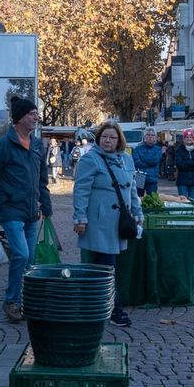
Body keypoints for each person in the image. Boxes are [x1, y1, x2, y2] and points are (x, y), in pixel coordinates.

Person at [0, 96, 53, 323]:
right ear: (20, 117)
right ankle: (11, 300)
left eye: (36, 114)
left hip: (32, 211)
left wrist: (46, 205)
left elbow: (42, 179)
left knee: (30, 259)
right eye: (32, 114)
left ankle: (25, 300)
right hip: (10, 210)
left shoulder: (38, 145)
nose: (36, 118)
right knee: (20, 254)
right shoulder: (3, 145)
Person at [72, 121, 142, 327]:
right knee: (107, 267)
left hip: (120, 222)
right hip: (99, 222)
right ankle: (114, 309)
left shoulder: (127, 160)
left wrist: (138, 213)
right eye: (104, 137)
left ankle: (92, 304)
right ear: (98, 138)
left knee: (102, 267)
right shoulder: (90, 159)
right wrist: (80, 218)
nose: (108, 141)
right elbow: (81, 191)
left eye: (112, 137)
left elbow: (132, 190)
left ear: (119, 139)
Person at [131, 127, 163, 197]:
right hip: (139, 177)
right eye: (148, 135)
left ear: (155, 137)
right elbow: (135, 161)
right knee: (137, 199)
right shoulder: (138, 148)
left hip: (152, 178)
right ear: (145, 137)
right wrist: (150, 162)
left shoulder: (158, 149)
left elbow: (155, 161)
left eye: (152, 135)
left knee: (152, 199)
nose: (150, 137)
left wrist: (142, 158)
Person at [174, 130, 194, 200]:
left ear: (193, 139)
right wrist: (193, 164)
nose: (189, 139)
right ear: (183, 139)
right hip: (182, 180)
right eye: (187, 137)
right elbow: (179, 164)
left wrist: (188, 163)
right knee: (183, 201)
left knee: (192, 201)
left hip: (193, 180)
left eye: (190, 137)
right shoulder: (179, 150)